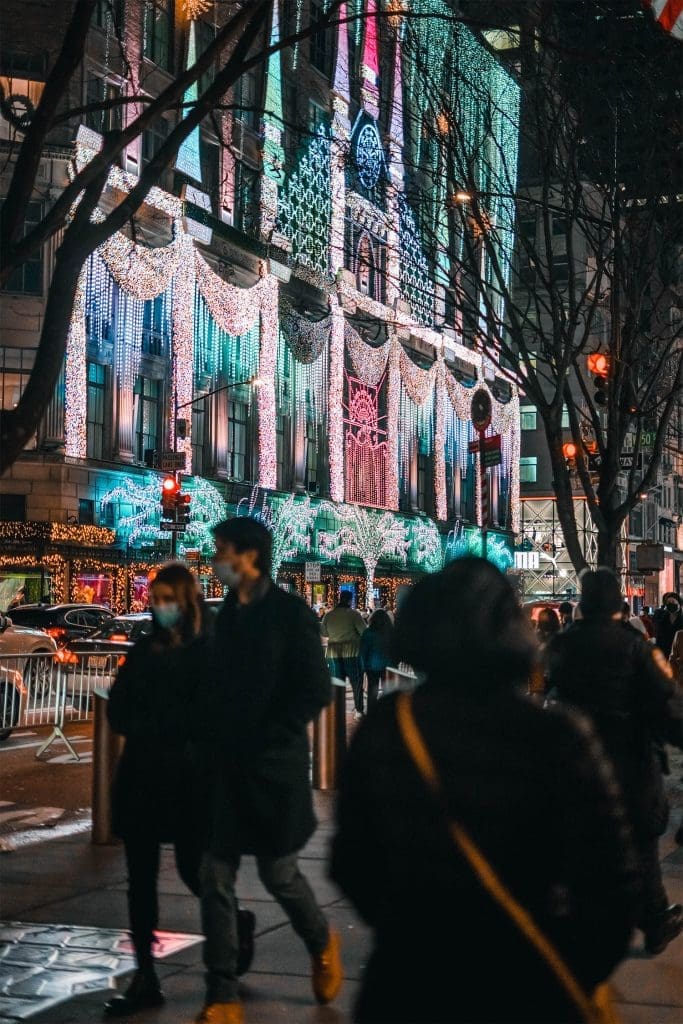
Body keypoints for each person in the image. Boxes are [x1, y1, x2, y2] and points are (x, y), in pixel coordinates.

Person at [331, 558, 639, 1024]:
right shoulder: (558, 736)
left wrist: (408, 929)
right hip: (528, 985)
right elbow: (611, 885)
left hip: (409, 983)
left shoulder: (388, 729)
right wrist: (571, 967)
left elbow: (352, 862)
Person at [195, 517, 342, 1024]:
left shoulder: (290, 614)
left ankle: (322, 941)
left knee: (279, 874)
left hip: (272, 768)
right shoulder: (224, 617)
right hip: (226, 769)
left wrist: (273, 730)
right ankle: (222, 992)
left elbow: (315, 689)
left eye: (222, 551)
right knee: (215, 875)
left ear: (249, 556)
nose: (217, 561)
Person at [547, 567, 683, 956]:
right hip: (628, 762)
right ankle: (654, 918)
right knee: (640, 846)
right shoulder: (634, 647)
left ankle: (578, 917)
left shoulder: (562, 645)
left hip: (574, 761)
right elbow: (667, 706)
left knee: (577, 842)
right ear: (617, 603)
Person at [105, 564, 212, 1016]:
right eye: (155, 597)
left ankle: (229, 929)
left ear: (184, 601)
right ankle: (145, 974)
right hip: (144, 777)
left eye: (167, 598)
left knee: (194, 868)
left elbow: (211, 715)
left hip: (186, 779)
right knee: (140, 881)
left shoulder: (206, 651)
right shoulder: (146, 648)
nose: (159, 605)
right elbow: (119, 707)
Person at [321, 590, 367, 718]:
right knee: (357, 683)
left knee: (336, 684)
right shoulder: (354, 614)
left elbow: (324, 633)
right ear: (349, 600)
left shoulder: (329, 615)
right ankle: (358, 710)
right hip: (352, 653)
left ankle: (336, 711)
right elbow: (364, 632)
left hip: (333, 654)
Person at [359, 609, 394, 712]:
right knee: (387, 690)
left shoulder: (368, 633)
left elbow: (363, 651)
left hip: (372, 665)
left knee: (372, 691)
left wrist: (363, 666)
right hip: (389, 666)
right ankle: (387, 711)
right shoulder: (391, 632)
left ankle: (371, 712)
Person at [653, 592, 683, 657]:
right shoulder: (663, 619)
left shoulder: (681, 619)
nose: (671, 604)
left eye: (673, 601)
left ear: (679, 604)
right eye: (668, 602)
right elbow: (659, 638)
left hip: (678, 655)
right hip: (664, 653)